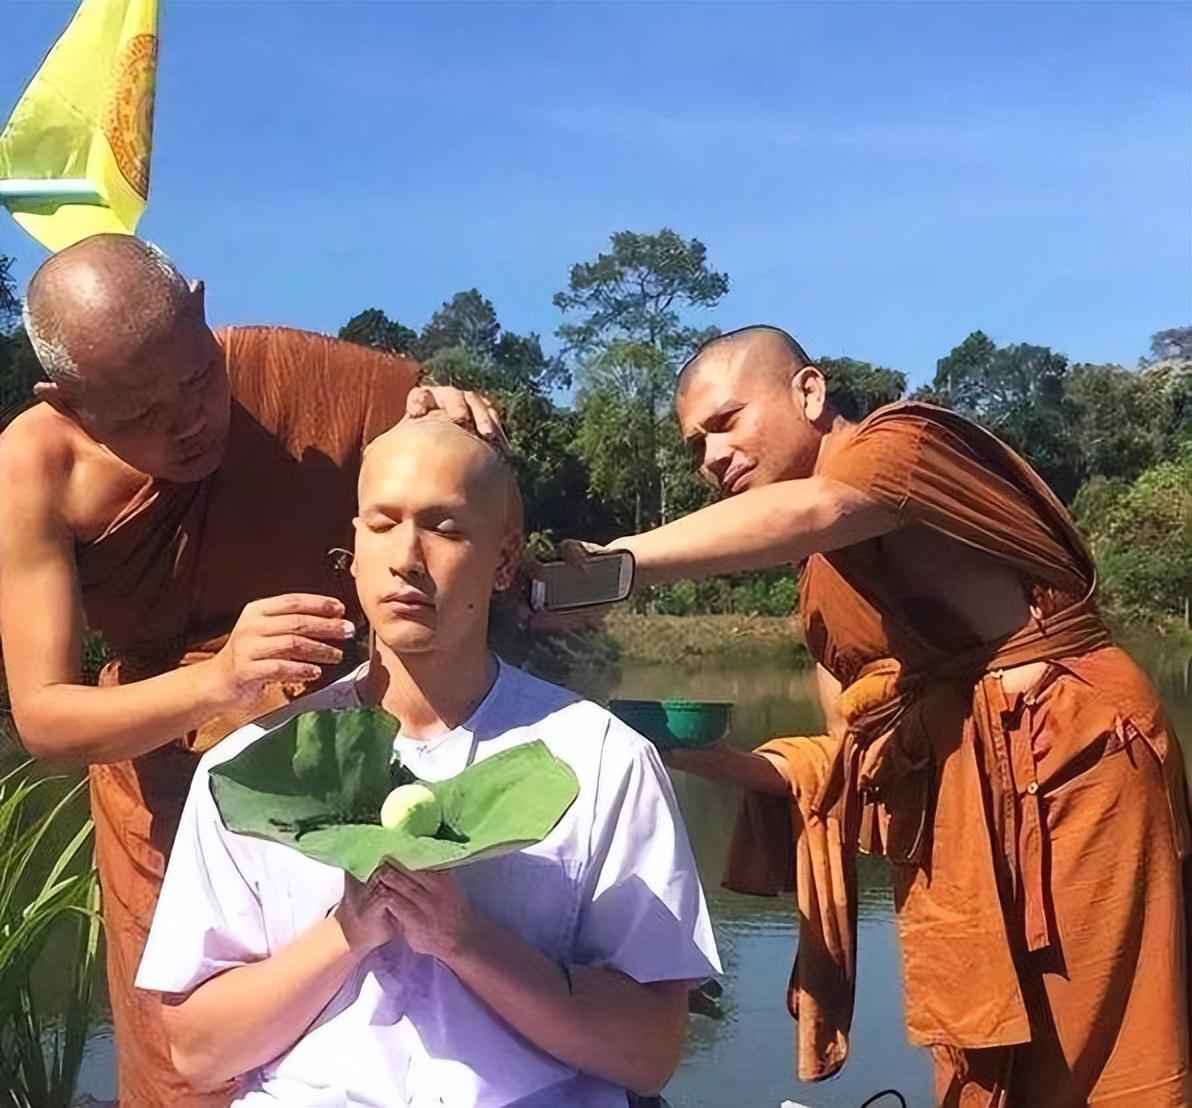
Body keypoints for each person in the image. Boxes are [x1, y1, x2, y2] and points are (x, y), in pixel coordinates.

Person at [560, 325, 1192, 1107]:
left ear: (809, 392)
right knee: (979, 1059)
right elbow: (846, 758)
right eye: (696, 445)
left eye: (726, 422)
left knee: (1096, 1053)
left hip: (1073, 764)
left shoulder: (906, 444)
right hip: (961, 815)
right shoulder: (823, 581)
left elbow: (822, 505)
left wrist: (610, 565)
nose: (712, 458)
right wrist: (701, 756)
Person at [0, 233, 500, 1106]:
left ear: (202, 311)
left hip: (349, 771)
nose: (189, 422)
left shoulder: (289, 376)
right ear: (68, 403)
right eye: (139, 413)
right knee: (188, 1056)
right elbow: (44, 718)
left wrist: (444, 416)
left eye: (199, 379)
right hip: (165, 784)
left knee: (380, 1026)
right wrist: (219, 680)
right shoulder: (34, 464)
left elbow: (443, 474)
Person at [135, 414, 720, 1107]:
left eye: (445, 528)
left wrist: (465, 939)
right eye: (382, 524)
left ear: (504, 561)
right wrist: (347, 933)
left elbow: (650, 1054)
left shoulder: (602, 761)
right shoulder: (253, 769)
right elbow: (197, 1054)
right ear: (353, 547)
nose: (407, 557)